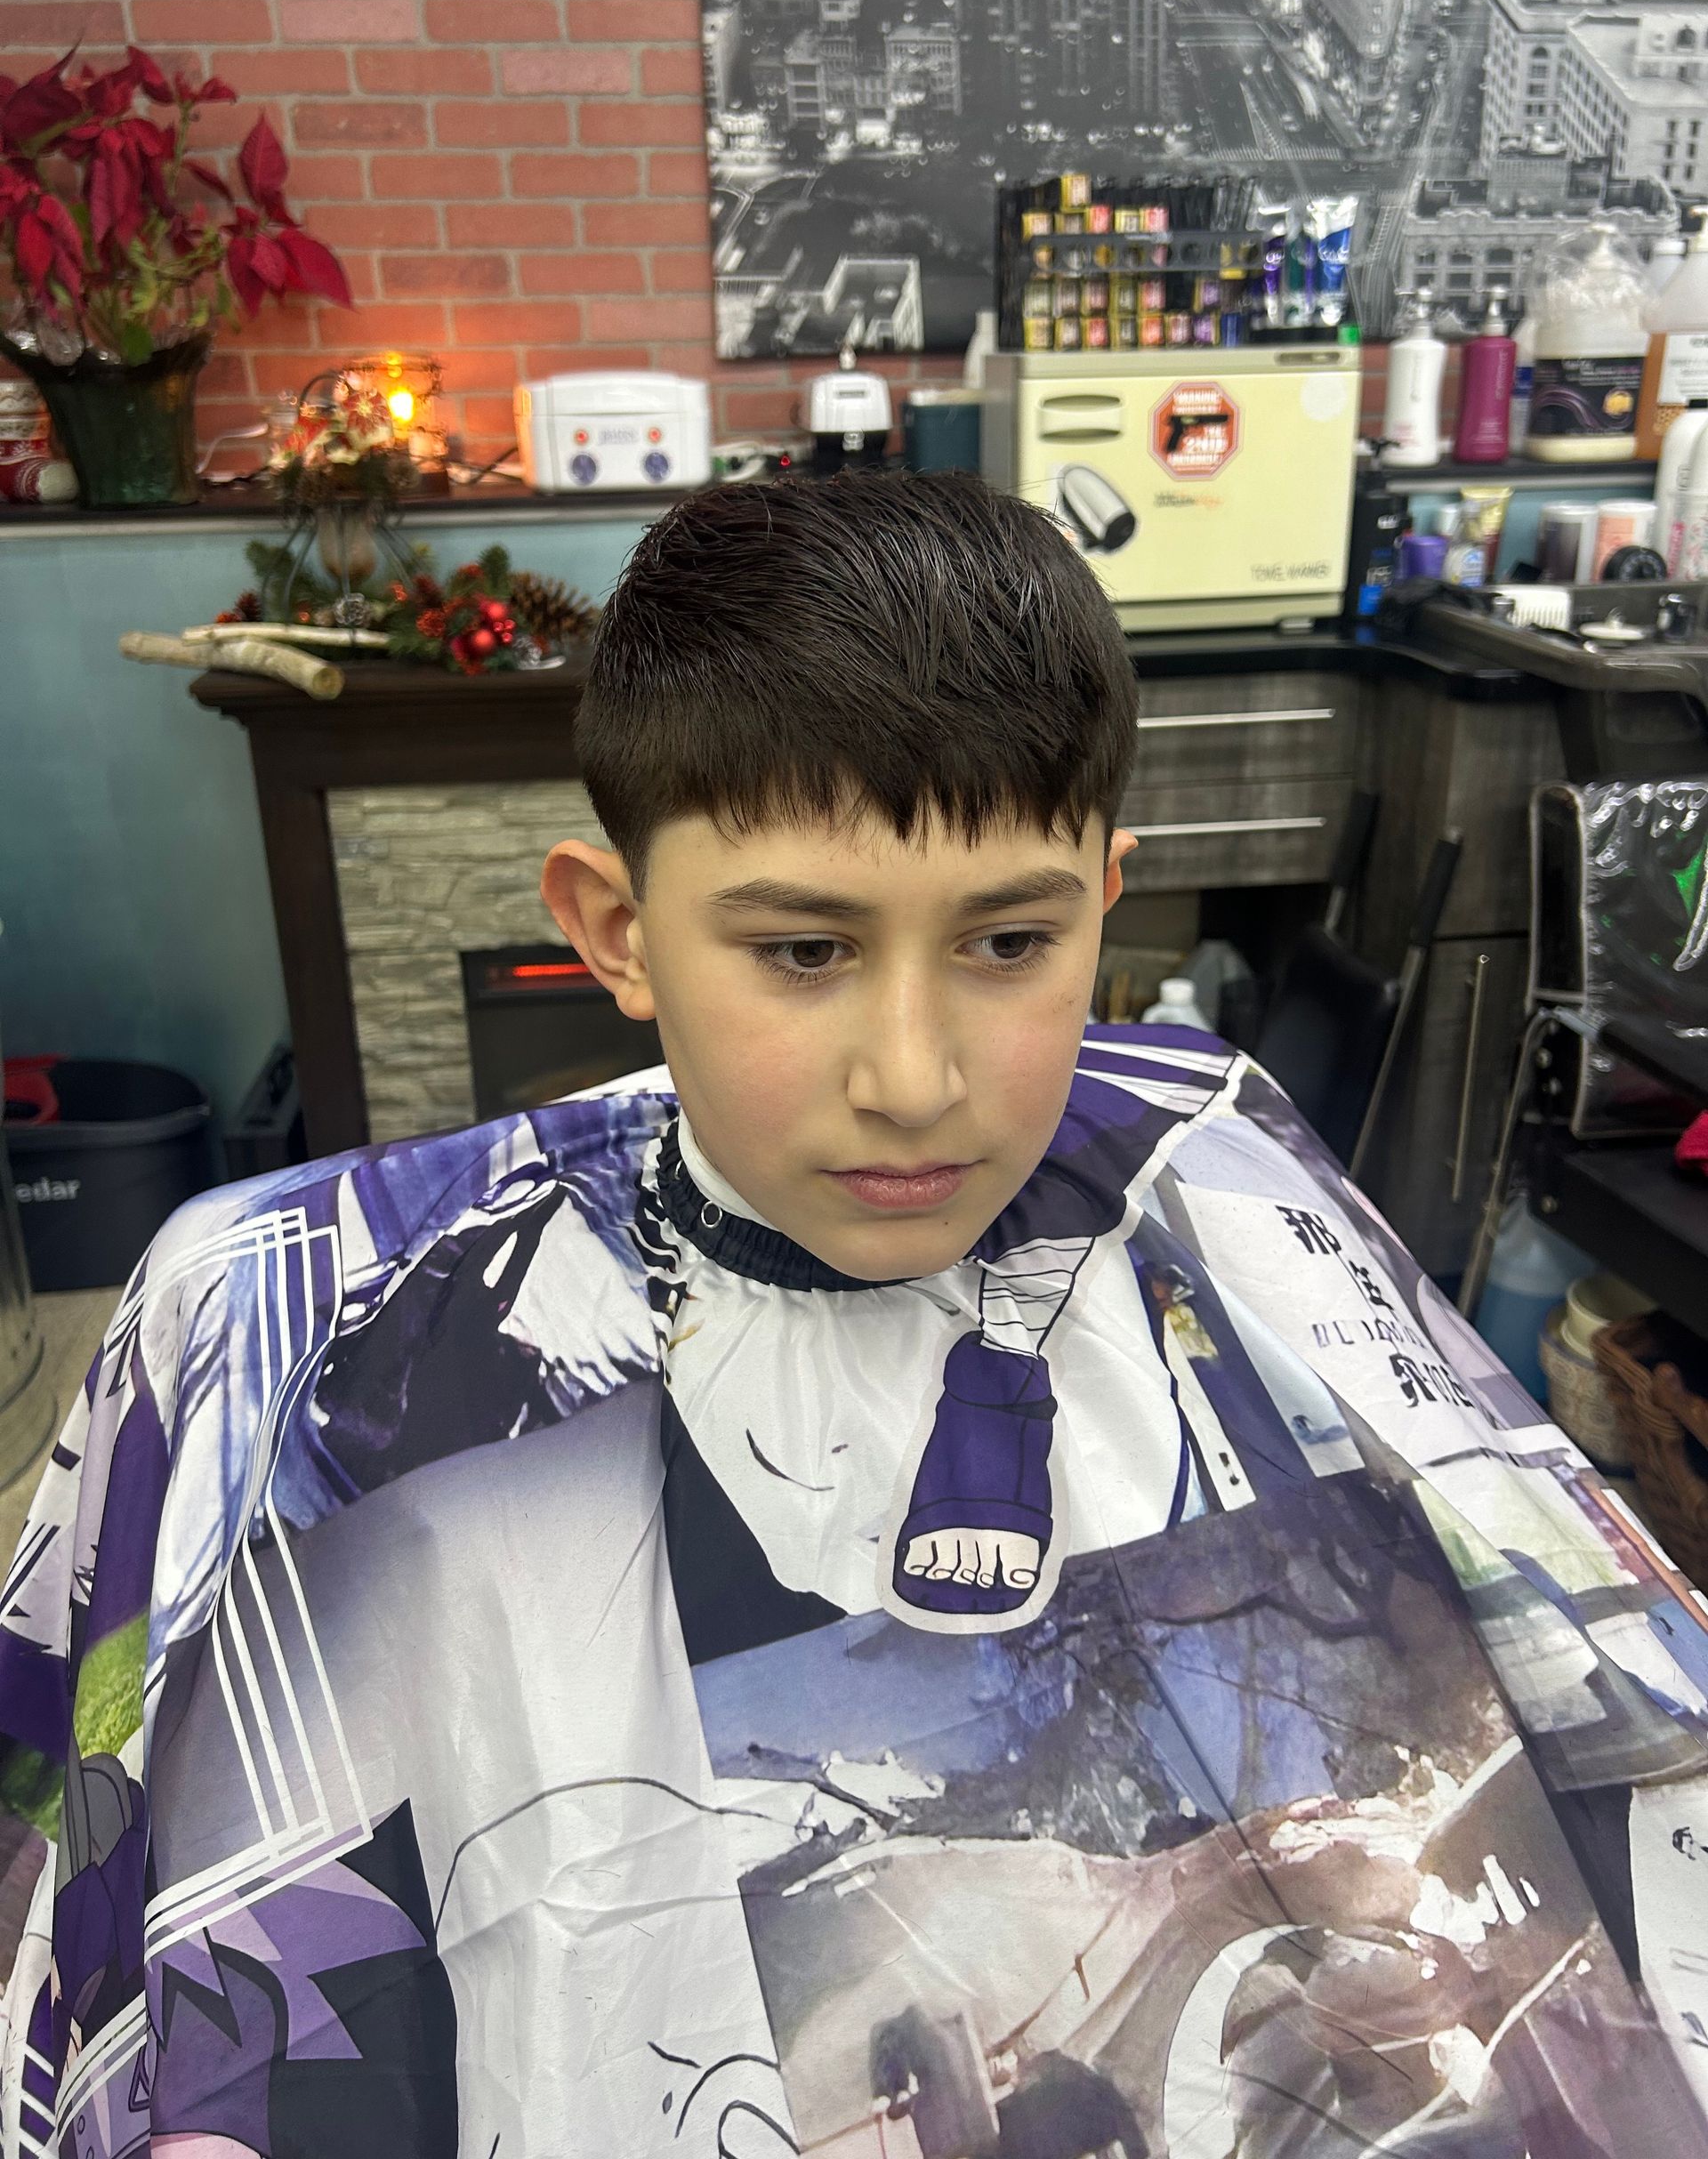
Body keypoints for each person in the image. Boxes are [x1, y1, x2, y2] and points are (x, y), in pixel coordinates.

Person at [2, 471, 1707, 2159]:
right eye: (805, 953)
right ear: (617, 931)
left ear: (1107, 898)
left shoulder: (1210, 1165)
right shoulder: (282, 1327)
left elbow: (1608, 1712)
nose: (915, 1080)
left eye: (1008, 941)